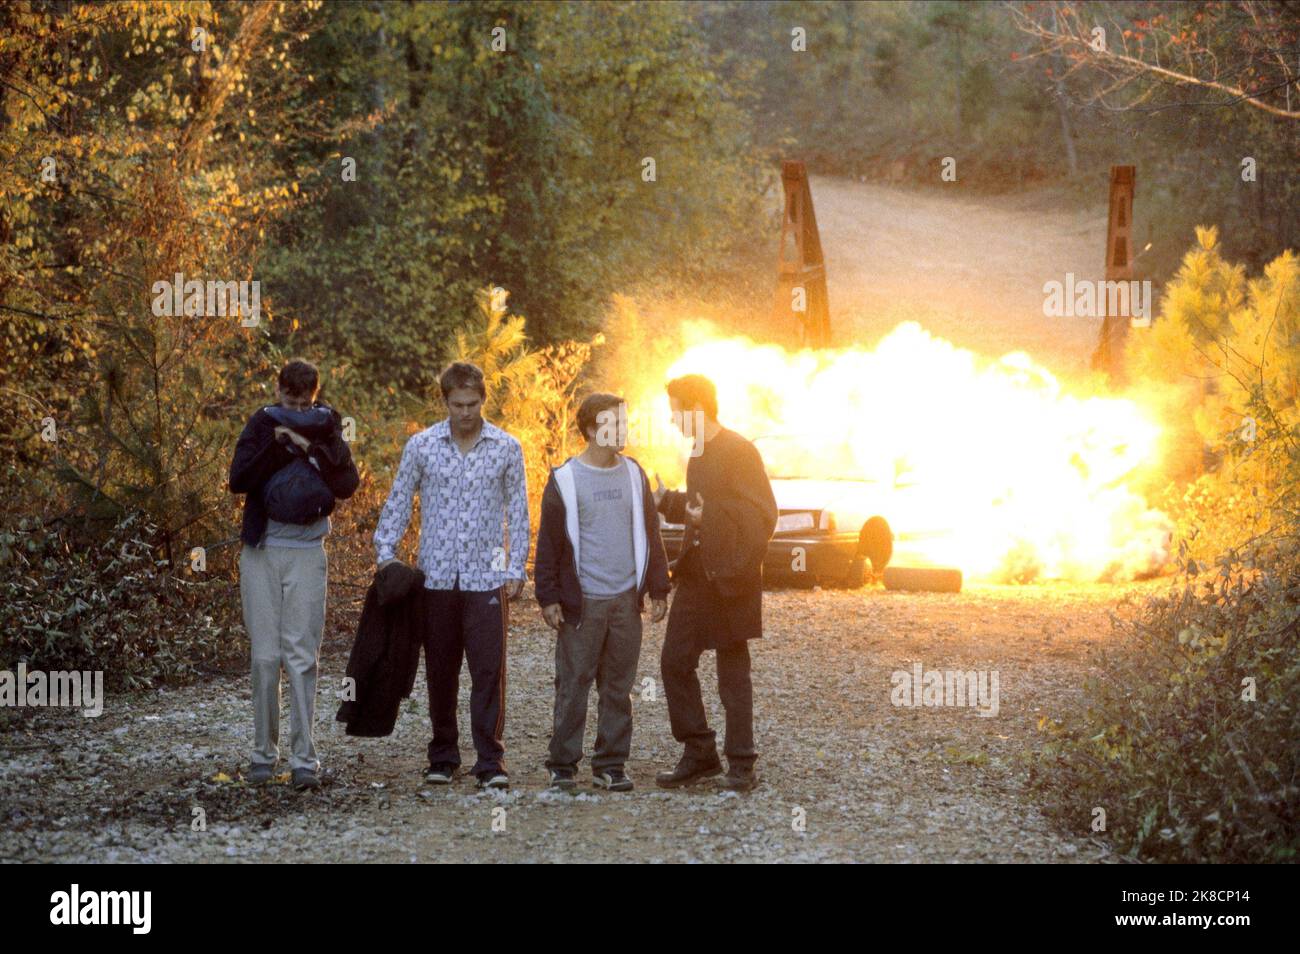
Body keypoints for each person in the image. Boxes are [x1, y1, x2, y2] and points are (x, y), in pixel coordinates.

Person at [373, 361, 529, 790]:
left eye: (473, 403)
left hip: (487, 576)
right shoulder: (422, 446)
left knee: (488, 670)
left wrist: (517, 567)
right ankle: (442, 755)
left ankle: (490, 761)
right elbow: (400, 499)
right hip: (437, 576)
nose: (465, 412)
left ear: (483, 400)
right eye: (457, 404)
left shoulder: (506, 447)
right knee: (440, 670)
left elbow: (518, 510)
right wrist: (385, 551)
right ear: (444, 401)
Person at [229, 359, 360, 791]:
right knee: (265, 657)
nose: (297, 406)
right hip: (262, 550)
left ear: (315, 395)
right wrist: (278, 443)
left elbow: (346, 485)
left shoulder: (328, 424)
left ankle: (305, 759)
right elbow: (239, 479)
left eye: (304, 401)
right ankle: (263, 756)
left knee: (302, 658)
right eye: (290, 399)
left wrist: (309, 445)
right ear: (278, 391)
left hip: (307, 551)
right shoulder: (261, 423)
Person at [534, 393, 670, 792]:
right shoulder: (565, 479)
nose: (624, 430)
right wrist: (549, 597)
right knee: (574, 684)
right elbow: (549, 543)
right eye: (615, 424)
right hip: (583, 603)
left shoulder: (634, 474)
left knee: (618, 687)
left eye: (626, 422)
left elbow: (651, 531)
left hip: (626, 601)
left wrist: (658, 587)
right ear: (592, 430)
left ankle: (611, 764)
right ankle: (562, 765)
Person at [653, 374, 777, 792]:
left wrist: (713, 522)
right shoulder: (698, 454)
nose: (672, 420)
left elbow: (762, 514)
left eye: (675, 411)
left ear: (695, 409)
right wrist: (665, 501)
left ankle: (742, 764)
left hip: (732, 576)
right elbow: (698, 510)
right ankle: (700, 752)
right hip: (696, 576)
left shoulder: (740, 450)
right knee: (674, 661)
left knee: (732, 673)